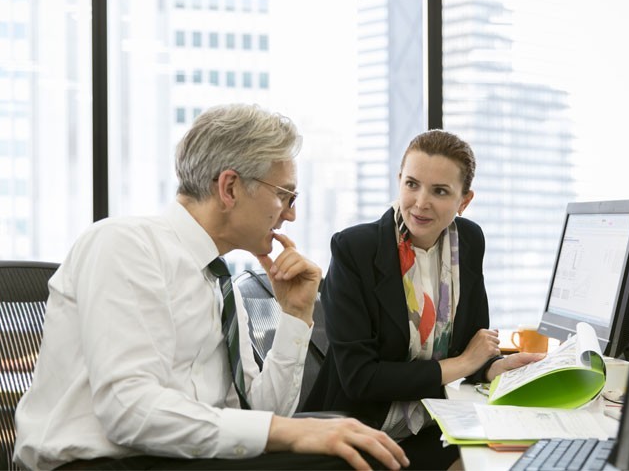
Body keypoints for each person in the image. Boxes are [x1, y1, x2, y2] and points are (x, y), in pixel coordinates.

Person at [13, 104, 409, 471]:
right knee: (344, 458)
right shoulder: (126, 244)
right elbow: (129, 412)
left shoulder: (219, 282)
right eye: (285, 195)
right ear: (230, 187)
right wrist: (291, 433)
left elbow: (262, 413)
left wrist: (295, 315)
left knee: (348, 441)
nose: (290, 214)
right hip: (103, 463)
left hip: (176, 458)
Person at [304, 130, 543, 469]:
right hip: (357, 433)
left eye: (440, 191)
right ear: (399, 180)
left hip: (429, 422)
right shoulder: (354, 249)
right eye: (412, 184)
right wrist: (463, 366)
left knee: (517, 452)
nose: (421, 202)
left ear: (464, 200)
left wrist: (493, 369)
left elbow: (470, 344)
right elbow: (360, 378)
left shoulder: (469, 242)